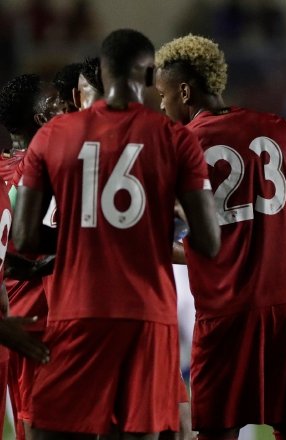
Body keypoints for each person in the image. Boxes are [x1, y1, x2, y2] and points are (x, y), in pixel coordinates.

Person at [13, 28, 220, 439]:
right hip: (148, 313)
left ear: (101, 76)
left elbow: (24, 239)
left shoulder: (54, 136)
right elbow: (209, 242)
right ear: (147, 78)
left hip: (78, 307)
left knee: (50, 428)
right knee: (137, 432)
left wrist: (79, 241)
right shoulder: (176, 138)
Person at [154, 34, 286, 440]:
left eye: (163, 95)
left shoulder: (178, 146)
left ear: (184, 90)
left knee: (216, 431)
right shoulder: (281, 129)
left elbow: (161, 235)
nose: (162, 106)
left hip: (225, 308)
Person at [0, 72, 65, 440]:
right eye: (55, 102)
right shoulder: (48, 166)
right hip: (42, 323)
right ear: (41, 116)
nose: (63, 107)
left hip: (12, 321)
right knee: (41, 423)